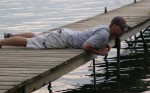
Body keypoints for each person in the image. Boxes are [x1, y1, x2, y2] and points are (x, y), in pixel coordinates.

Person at [0, 16, 129, 55]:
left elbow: (93, 38)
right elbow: (86, 46)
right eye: (121, 28)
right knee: (29, 43)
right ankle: (2, 42)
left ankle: (11, 36)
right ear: (113, 26)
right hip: (62, 39)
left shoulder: (104, 29)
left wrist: (102, 45)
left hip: (65, 35)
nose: (123, 31)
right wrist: (100, 53)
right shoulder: (104, 34)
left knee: (37, 37)